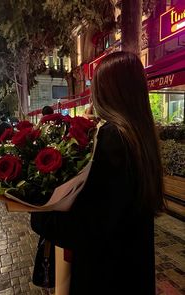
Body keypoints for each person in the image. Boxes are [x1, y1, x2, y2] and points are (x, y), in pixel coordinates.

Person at [31, 51, 164, 294]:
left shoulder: (113, 139)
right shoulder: (141, 137)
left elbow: (86, 227)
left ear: (106, 92)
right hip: (132, 272)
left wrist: (40, 211)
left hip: (106, 276)